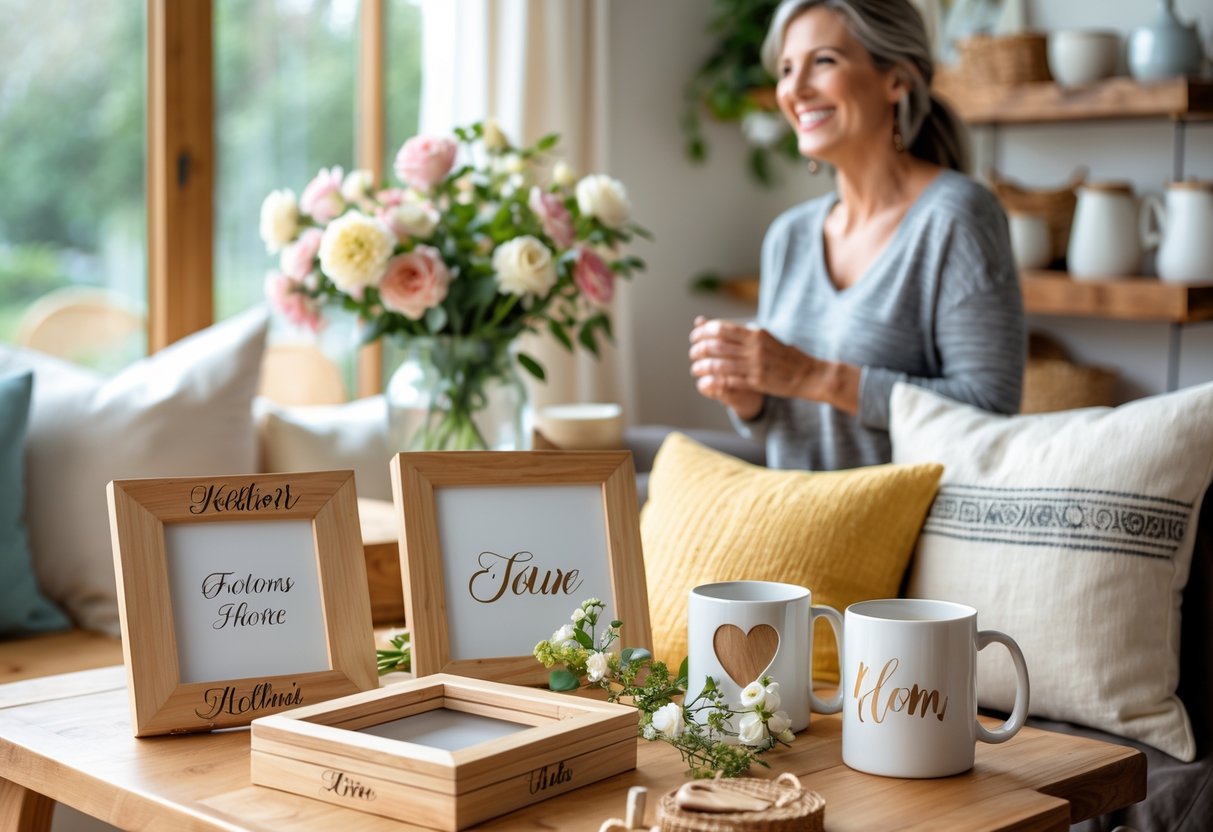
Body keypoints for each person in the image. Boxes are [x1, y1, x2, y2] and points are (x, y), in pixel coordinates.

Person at [689, 0, 1025, 471]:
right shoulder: (789, 236)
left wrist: (813, 376)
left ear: (897, 80)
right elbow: (785, 432)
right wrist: (751, 399)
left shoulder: (957, 217)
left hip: (907, 535)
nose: (796, 89)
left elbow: (989, 410)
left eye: (823, 61)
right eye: (787, 69)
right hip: (802, 521)